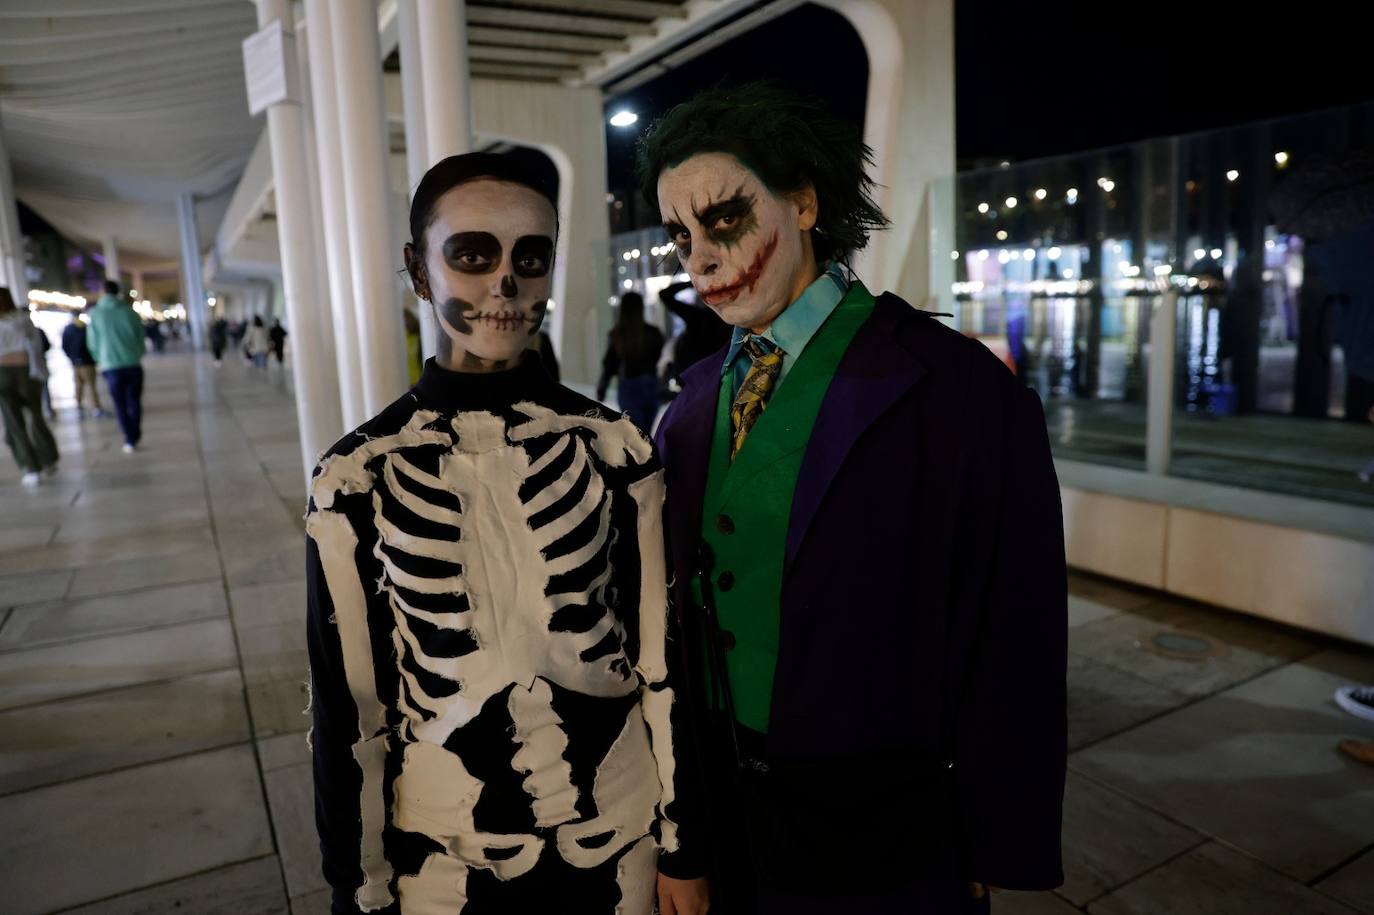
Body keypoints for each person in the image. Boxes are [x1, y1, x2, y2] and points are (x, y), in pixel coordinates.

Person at [642, 83, 1067, 914]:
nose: (697, 258)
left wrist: (991, 833)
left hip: (890, 831)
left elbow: (1012, 629)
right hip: (728, 821)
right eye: (679, 235)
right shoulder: (690, 407)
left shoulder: (959, 392)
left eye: (723, 219)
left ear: (803, 202)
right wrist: (681, 833)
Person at [306, 150, 701, 915]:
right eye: (472, 254)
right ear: (420, 271)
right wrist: (356, 885)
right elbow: (349, 706)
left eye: (531, 257)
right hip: (446, 862)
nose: (505, 284)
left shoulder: (615, 447)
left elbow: (663, 661)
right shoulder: (354, 477)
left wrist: (686, 842)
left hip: (622, 835)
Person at [0, 287, 59, 486]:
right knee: (32, 417)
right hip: (23, 371)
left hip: (14, 373)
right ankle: (44, 459)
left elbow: (35, 344)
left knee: (18, 421)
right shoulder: (22, 319)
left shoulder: (21, 319)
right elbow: (35, 345)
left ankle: (31, 466)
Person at [87, 279, 147, 454]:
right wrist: (136, 354)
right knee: (134, 401)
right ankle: (134, 434)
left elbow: (92, 343)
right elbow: (140, 337)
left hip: (110, 366)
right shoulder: (129, 312)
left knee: (119, 404)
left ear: (103, 292)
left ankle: (129, 438)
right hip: (133, 364)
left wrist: (100, 359)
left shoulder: (96, 314)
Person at [596, 292, 666, 432]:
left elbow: (609, 365)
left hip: (629, 387)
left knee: (637, 434)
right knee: (647, 432)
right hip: (651, 385)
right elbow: (660, 357)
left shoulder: (617, 335)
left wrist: (602, 388)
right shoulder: (654, 332)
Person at [659, 280, 730, 395]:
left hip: (691, 373)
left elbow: (665, 295)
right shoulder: (729, 321)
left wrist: (691, 284)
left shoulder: (696, 316)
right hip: (718, 375)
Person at [62, 311, 106, 418]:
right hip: (88, 362)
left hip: (75, 363)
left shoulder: (68, 329)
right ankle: (96, 408)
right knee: (91, 385)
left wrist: (72, 358)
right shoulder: (86, 328)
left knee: (78, 385)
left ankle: (79, 406)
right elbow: (94, 343)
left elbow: (64, 346)